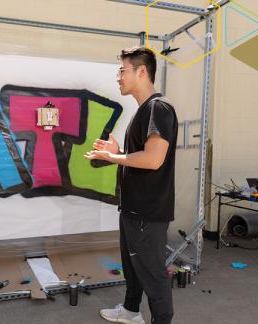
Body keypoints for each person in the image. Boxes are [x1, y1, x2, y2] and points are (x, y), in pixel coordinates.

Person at [85, 47, 178, 324]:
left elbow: (153, 159)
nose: (118, 77)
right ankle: (130, 311)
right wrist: (121, 150)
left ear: (141, 71)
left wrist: (113, 156)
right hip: (134, 210)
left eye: (122, 71)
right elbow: (140, 154)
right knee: (133, 268)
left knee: (153, 274)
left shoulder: (158, 108)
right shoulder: (143, 111)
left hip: (147, 213)